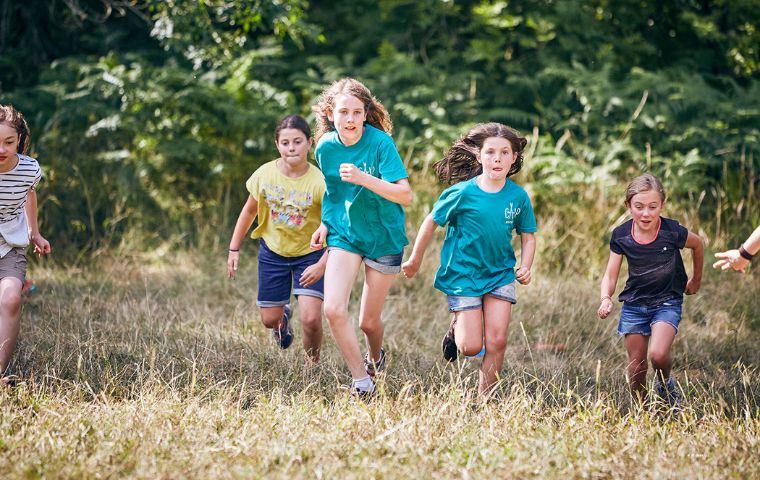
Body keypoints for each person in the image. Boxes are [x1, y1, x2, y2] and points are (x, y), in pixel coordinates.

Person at [402, 123, 537, 397]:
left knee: (497, 341)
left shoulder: (518, 197)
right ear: (479, 156)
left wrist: (525, 265)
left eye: (504, 153)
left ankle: (484, 399)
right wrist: (415, 259)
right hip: (464, 275)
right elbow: (431, 222)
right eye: (490, 152)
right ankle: (456, 328)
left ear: (513, 158)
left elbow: (528, 235)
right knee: (470, 347)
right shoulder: (462, 193)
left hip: (500, 273)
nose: (497, 158)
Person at [310, 78, 412, 397]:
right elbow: (334, 193)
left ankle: (375, 358)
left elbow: (405, 195)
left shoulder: (381, 143)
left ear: (366, 114)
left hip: (383, 236)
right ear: (331, 113)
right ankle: (362, 383)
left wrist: (364, 178)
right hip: (346, 235)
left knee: (368, 322)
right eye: (344, 112)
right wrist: (326, 225)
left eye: (357, 112)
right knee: (334, 309)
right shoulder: (325, 147)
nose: (351, 119)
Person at [598, 173, 703, 407]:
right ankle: (643, 410)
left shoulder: (672, 231)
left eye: (653, 207)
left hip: (667, 301)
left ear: (662, 206)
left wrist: (696, 279)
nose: (646, 213)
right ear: (628, 206)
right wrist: (606, 297)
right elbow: (610, 273)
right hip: (634, 304)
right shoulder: (622, 235)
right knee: (636, 367)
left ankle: (666, 384)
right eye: (639, 206)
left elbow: (697, 245)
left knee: (657, 355)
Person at [227, 115, 326, 363]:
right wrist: (234, 248)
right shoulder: (265, 175)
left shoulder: (319, 181)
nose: (291, 148)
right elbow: (249, 211)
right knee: (268, 320)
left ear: (309, 143)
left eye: (297, 142)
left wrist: (323, 261)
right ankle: (282, 318)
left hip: (310, 254)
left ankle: (311, 364)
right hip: (274, 253)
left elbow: (332, 223)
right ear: (277, 145)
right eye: (285, 143)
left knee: (312, 319)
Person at [0, 104, 51, 386]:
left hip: (9, 245)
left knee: (10, 298)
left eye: (8, 142)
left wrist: (35, 233)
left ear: (19, 139)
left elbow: (28, 194)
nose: (2, 149)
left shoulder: (29, 169)